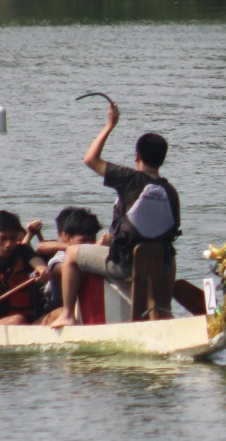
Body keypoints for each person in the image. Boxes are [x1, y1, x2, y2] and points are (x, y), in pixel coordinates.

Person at [51, 101, 181, 327]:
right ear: (163, 158)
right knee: (170, 253)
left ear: (137, 156)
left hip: (124, 264)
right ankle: (166, 311)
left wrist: (110, 125)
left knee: (72, 253)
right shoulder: (170, 191)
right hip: (161, 266)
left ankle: (68, 315)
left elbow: (90, 159)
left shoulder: (130, 178)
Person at [33, 206, 103, 321]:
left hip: (83, 309)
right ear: (68, 238)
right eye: (84, 241)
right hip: (55, 312)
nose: (89, 245)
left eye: (92, 239)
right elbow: (64, 269)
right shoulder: (60, 258)